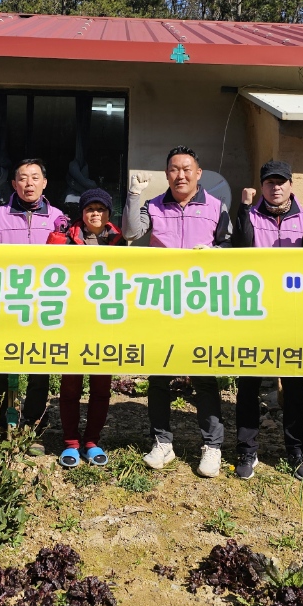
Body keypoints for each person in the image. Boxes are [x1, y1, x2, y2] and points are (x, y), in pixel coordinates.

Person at [124, 146, 232, 478]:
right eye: (174, 169)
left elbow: (229, 245)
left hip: (200, 303)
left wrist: (213, 251)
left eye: (187, 169)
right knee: (159, 376)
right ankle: (162, 442)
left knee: (204, 375)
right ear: (167, 174)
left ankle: (212, 446)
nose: (180, 175)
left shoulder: (216, 206)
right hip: (163, 300)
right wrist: (134, 196)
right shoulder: (154, 206)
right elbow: (131, 232)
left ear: (199, 173)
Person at [0, 159, 67, 452]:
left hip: (43, 304)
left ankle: (33, 426)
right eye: (23, 178)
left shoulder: (59, 218)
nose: (29, 183)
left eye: (35, 177)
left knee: (40, 366)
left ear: (45, 183)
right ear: (14, 184)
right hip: (5, 301)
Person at [231, 160, 303, 481]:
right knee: (248, 385)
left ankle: (297, 453)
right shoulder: (249, 215)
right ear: (261, 186)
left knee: (293, 388)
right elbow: (238, 249)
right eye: (269, 182)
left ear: (291, 185)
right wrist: (243, 207)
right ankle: (246, 450)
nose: (275, 187)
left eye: (281, 182)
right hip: (255, 312)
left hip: (293, 314)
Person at [47, 187, 125, 468]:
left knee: (101, 387)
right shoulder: (66, 238)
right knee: (70, 386)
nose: (95, 214)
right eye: (90, 209)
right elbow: (49, 266)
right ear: (82, 213)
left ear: (108, 214)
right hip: (74, 320)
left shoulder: (120, 241)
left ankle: (92, 442)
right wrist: (57, 238)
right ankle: (70, 443)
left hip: (106, 322)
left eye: (101, 209)